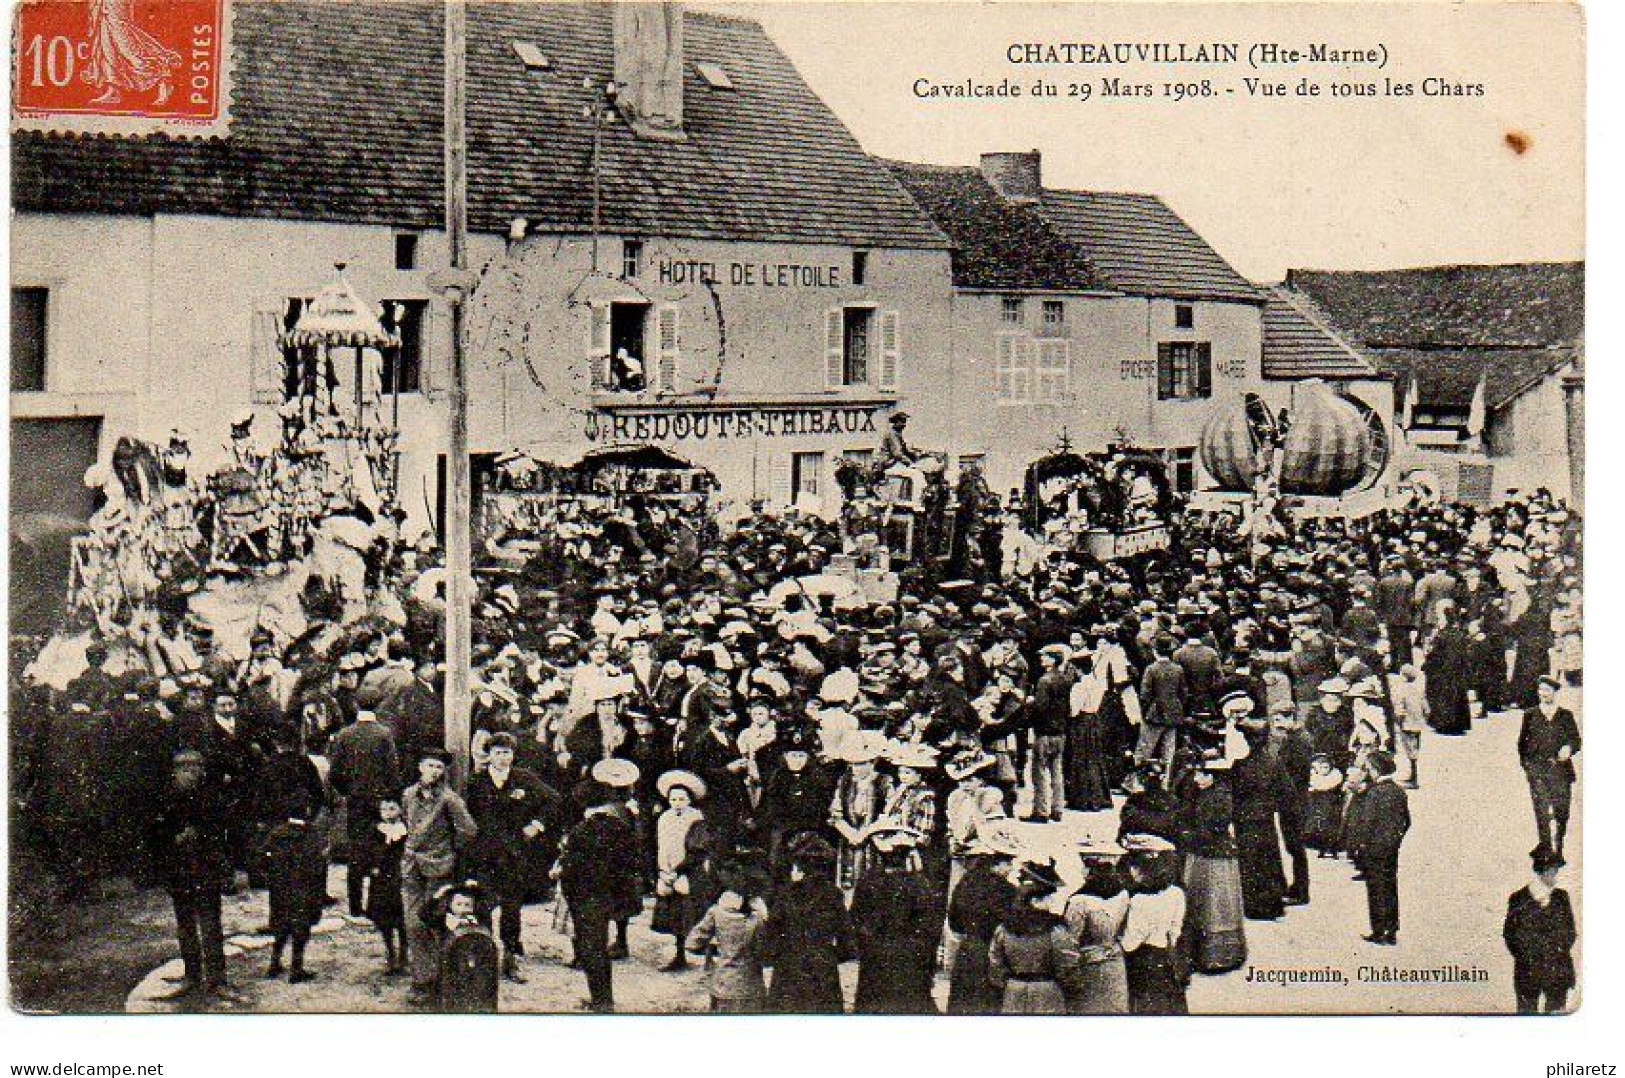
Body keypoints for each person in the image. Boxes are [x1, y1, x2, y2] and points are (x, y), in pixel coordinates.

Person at [465, 731, 561, 982]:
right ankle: (485, 957)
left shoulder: (524, 779)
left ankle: (511, 957)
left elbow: (553, 800)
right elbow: (467, 816)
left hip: (514, 854)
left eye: (507, 753)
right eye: (497, 752)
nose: (502, 758)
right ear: (489, 755)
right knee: (483, 905)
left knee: (511, 908)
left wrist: (536, 824)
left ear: (513, 755)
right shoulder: (475, 782)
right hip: (484, 854)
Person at [147, 748, 240, 1003]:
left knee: (210, 925)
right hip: (179, 871)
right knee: (186, 925)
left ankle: (216, 978)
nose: (188, 773)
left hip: (205, 869)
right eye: (183, 768)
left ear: (201, 770)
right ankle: (192, 974)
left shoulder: (212, 798)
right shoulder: (167, 798)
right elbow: (156, 831)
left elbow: (223, 834)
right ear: (175, 771)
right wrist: (173, 838)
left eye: (193, 767)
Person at [557, 776, 642, 1012]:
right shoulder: (621, 828)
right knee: (600, 949)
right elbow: (632, 863)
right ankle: (603, 999)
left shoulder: (580, 831)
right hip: (613, 898)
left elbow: (570, 872)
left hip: (587, 900)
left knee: (591, 951)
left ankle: (602, 1001)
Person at [401, 747, 478, 1004]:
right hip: (412, 866)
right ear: (420, 767)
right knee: (413, 924)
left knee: (434, 923)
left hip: (439, 868)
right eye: (429, 765)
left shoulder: (449, 799)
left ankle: (438, 981)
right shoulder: (409, 795)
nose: (434, 771)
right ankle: (421, 980)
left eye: (439, 767)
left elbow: (468, 830)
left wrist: (448, 851)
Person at [761, 832, 855, 1014]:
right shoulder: (834, 895)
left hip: (789, 970)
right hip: (822, 969)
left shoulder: (786, 894)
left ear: (799, 865)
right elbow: (847, 943)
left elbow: (769, 937)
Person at [851, 825, 941, 1014]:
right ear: (907, 855)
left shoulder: (868, 882)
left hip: (875, 961)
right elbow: (930, 929)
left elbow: (856, 921)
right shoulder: (921, 885)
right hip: (911, 963)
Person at [326, 708, 401, 916]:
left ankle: (355, 907)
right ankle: (377, 906)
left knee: (356, 855)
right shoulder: (384, 734)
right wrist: (389, 797)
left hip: (356, 803)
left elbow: (335, 773)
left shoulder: (345, 734)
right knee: (380, 851)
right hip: (380, 803)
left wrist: (349, 792)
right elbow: (393, 772)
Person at [1176, 755, 1246, 973]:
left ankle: (1216, 955)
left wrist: (1190, 836)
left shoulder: (1221, 796)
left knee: (1213, 900)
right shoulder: (1202, 792)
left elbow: (1215, 825)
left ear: (1213, 776)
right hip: (1201, 852)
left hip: (1214, 856)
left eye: (1201, 774)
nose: (1196, 778)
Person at [987, 860, 1084, 1014]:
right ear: (1034, 901)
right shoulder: (1055, 929)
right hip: (1047, 993)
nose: (1051, 902)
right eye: (1047, 898)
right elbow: (1068, 965)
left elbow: (995, 962)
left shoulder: (1004, 928)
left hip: (1013, 991)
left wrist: (1004, 983)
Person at [686, 855, 772, 1013]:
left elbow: (692, 944)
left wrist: (715, 948)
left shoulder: (716, 912)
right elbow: (766, 955)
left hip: (723, 984)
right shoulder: (760, 917)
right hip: (751, 987)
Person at [945, 839, 1018, 1014]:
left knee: (962, 1004)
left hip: (967, 950)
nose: (1010, 869)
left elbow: (953, 922)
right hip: (994, 954)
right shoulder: (1007, 890)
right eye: (1008, 863)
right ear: (997, 864)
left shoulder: (965, 882)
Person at [1503, 847, 1577, 1014]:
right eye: (1551, 871)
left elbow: (1570, 933)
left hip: (1557, 973)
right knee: (1527, 1019)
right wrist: (1533, 957)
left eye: (1555, 871)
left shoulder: (1561, 897)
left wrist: (1552, 955)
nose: (1554, 875)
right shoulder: (1519, 899)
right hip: (1528, 974)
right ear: (1540, 871)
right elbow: (1511, 936)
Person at [650, 769, 708, 971]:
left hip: (689, 872)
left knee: (692, 914)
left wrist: (680, 870)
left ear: (689, 800)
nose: (677, 803)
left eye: (682, 799)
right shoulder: (664, 818)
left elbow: (698, 850)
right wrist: (663, 870)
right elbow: (660, 845)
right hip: (668, 872)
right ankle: (679, 954)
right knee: (675, 917)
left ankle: (706, 956)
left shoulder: (696, 819)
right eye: (673, 799)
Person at [1120, 843, 1188, 1015]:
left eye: (1134, 869)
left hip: (1144, 959)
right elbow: (1175, 927)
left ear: (1144, 871)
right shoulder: (1176, 893)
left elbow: (1132, 941)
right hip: (1165, 955)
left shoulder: (1140, 901)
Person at [1518, 676, 1581, 857]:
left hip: (1561, 772)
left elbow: (1575, 739)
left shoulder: (1565, 715)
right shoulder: (1529, 715)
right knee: (1542, 812)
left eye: (1547, 690)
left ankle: (1558, 847)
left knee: (1562, 812)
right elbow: (1522, 744)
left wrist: (1569, 748)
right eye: (1540, 690)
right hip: (1538, 772)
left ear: (1554, 692)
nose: (1543, 694)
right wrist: (1528, 768)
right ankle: (1546, 847)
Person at [1062, 856, 1131, 1015]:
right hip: (1115, 962)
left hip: (1088, 964)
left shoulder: (1079, 900)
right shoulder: (1123, 894)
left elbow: (1070, 939)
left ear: (1088, 870)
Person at [1358, 751, 1409, 945]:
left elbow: (1368, 822)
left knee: (1375, 888)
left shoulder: (1374, 793)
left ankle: (1378, 930)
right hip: (1391, 848)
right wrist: (1396, 839)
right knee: (1389, 886)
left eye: (1369, 769)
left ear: (1377, 770)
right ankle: (1392, 930)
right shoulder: (1399, 792)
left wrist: (1362, 844)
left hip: (1374, 848)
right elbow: (1407, 821)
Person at [360, 796, 409, 975]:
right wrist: (373, 865)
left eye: (392, 809)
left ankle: (404, 952)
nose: (388, 813)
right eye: (385, 810)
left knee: (402, 917)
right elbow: (368, 852)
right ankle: (390, 951)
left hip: (400, 877)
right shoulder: (375, 830)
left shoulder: (405, 830)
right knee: (384, 917)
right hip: (381, 879)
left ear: (400, 810)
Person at [1026, 644, 1073, 822]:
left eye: (1045, 656)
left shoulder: (1044, 681)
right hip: (1059, 731)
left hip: (1044, 731)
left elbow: (1040, 708)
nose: (1041, 659)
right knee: (1057, 772)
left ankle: (1041, 810)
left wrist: (1030, 703)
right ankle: (1057, 808)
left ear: (1053, 659)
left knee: (1039, 772)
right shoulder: (1065, 679)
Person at [1137, 635, 1186, 779]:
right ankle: (1166, 782)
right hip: (1173, 713)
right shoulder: (1178, 669)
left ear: (1155, 651)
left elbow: (1145, 694)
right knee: (1169, 751)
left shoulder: (1151, 669)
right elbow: (1183, 692)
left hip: (1155, 713)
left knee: (1145, 749)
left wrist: (1145, 711)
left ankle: (1136, 780)